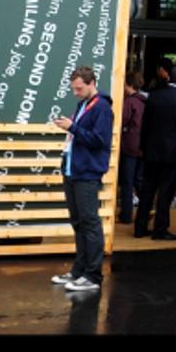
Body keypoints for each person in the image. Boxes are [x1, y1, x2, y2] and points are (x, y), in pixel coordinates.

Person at [50, 66, 114, 292]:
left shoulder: (103, 108)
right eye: (73, 88)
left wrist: (73, 127)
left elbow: (99, 140)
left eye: (78, 88)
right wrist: (71, 127)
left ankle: (93, 275)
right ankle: (79, 270)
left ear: (91, 83)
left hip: (87, 172)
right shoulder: (83, 105)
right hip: (73, 169)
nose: (75, 92)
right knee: (78, 223)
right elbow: (80, 134)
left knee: (89, 223)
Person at [135, 66, 176, 241]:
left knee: (147, 190)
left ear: (168, 78)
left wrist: (143, 146)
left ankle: (140, 227)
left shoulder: (154, 96)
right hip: (173, 152)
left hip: (152, 150)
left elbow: (145, 124)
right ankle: (160, 229)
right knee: (166, 192)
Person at [117, 71, 146, 224]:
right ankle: (149, 208)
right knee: (139, 179)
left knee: (127, 181)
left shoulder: (129, 102)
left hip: (130, 145)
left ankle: (126, 215)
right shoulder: (144, 100)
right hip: (143, 144)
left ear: (128, 84)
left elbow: (122, 121)